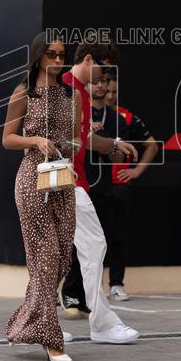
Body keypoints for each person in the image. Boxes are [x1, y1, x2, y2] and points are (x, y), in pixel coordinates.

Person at [3, 34, 81, 361]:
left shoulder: (71, 94)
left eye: (62, 54)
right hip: (32, 179)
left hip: (61, 177)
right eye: (51, 54)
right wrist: (34, 139)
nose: (58, 60)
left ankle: (23, 323)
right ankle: (52, 339)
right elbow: (7, 139)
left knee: (62, 255)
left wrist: (70, 150)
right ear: (38, 56)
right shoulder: (24, 93)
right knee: (45, 256)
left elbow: (76, 136)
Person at [60, 39, 141, 344]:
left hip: (70, 180)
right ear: (91, 59)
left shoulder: (77, 90)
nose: (106, 82)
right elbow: (61, 139)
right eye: (104, 73)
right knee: (91, 246)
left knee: (70, 253)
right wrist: (110, 145)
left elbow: (80, 140)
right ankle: (101, 324)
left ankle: (39, 322)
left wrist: (112, 145)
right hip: (61, 180)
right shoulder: (64, 86)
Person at [103, 74, 159, 300]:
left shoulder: (125, 117)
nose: (110, 96)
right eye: (106, 91)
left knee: (118, 237)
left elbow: (152, 145)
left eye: (114, 92)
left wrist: (136, 170)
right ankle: (85, 289)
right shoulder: (86, 113)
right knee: (91, 240)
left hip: (118, 187)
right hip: (92, 186)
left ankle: (116, 284)